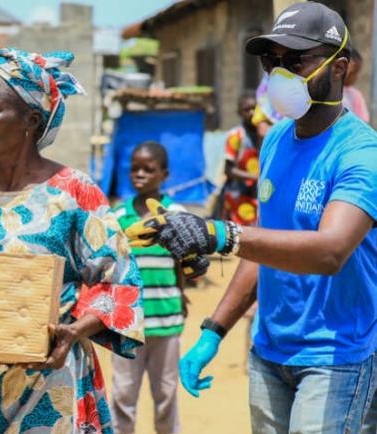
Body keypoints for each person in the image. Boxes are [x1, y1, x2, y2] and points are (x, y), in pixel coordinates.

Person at [126, 3, 377, 433]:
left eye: (296, 61)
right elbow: (264, 245)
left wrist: (219, 233)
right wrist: (213, 330)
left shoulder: (360, 153)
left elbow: (331, 251)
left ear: (340, 69)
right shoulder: (276, 140)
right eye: (271, 61)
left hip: (336, 358)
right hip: (269, 353)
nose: (280, 74)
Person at [0, 48, 143, 433]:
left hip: (45, 391)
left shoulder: (72, 192)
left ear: (30, 120)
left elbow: (119, 282)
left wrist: (72, 333)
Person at [110, 142, 186, 434]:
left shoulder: (176, 214)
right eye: (134, 169)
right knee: (123, 395)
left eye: (148, 169)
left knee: (166, 394)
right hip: (127, 324)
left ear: (164, 174)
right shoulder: (117, 217)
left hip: (166, 321)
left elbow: (183, 263)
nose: (139, 175)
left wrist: (181, 298)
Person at [221, 92, 260, 226]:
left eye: (254, 108)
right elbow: (229, 170)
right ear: (239, 112)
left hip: (257, 194)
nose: (251, 112)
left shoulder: (265, 133)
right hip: (238, 195)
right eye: (246, 110)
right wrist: (255, 177)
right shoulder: (236, 135)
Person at [343, 48, 370, 122]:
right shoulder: (330, 90)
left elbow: (363, 121)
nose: (356, 77)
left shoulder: (355, 95)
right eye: (354, 72)